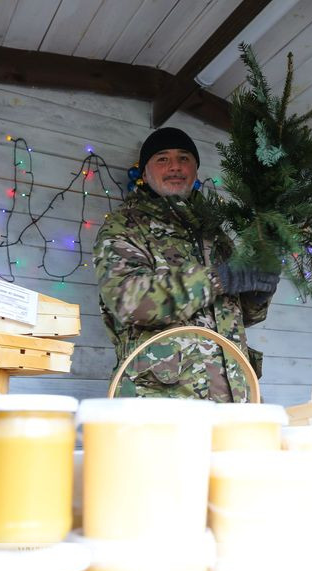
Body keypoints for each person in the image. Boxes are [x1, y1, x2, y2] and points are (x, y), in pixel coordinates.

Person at [93, 127, 279, 402]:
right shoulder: (125, 226)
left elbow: (236, 316)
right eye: (162, 159)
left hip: (236, 396)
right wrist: (218, 279)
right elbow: (128, 301)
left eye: (184, 158)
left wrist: (257, 295)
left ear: (195, 170)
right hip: (163, 401)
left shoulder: (215, 233)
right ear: (145, 173)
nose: (175, 167)